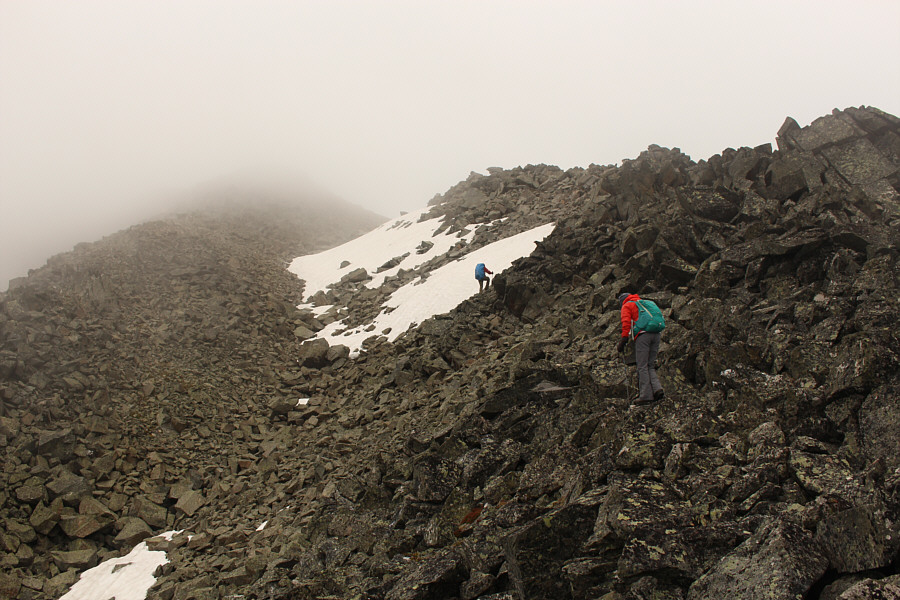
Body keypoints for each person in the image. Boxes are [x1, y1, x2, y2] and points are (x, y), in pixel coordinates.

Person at [617, 292, 665, 404]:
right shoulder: (645, 303)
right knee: (650, 365)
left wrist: (623, 340)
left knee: (642, 366)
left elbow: (626, 323)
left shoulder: (627, 305)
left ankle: (646, 395)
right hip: (656, 334)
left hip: (643, 336)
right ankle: (657, 389)